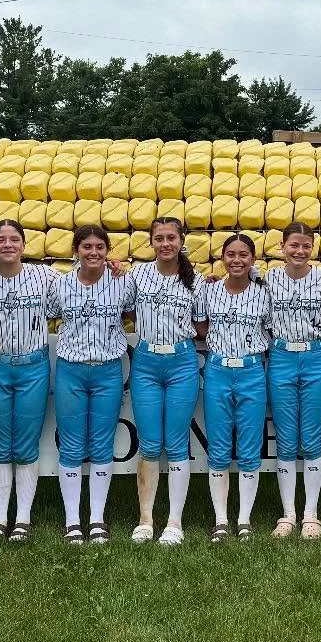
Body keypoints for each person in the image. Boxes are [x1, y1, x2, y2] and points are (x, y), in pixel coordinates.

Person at [49, 224, 135, 545]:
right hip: (71, 369)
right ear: (76, 251)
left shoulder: (122, 283)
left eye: (100, 247)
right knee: (71, 445)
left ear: (108, 250)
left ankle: (97, 519)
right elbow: (45, 313)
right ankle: (73, 520)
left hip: (108, 371)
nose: (94, 252)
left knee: (102, 444)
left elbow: (143, 306)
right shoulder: (61, 285)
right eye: (87, 247)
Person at [125, 217, 200, 547]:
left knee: (177, 441)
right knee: (151, 442)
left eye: (171, 237)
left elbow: (204, 324)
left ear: (181, 240)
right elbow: (124, 309)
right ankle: (145, 518)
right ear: (151, 242)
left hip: (182, 362)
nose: (165, 243)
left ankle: (174, 522)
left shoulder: (196, 279)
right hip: (146, 363)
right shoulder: (137, 275)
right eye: (159, 238)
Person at [0, 219, 56, 542]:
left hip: (33, 366)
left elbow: (84, 282)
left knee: (26, 443)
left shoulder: (44, 276)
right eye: (1, 240)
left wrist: (117, 271)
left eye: (14, 239)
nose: (7, 245)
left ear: (24, 245)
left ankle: (22, 518)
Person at [194, 233, 273, 542]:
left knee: (250, 446)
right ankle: (221, 519)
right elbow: (201, 327)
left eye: (244, 255)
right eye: (231, 254)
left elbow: (269, 328)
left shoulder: (264, 294)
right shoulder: (209, 291)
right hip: (218, 370)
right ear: (222, 258)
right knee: (218, 445)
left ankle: (244, 520)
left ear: (252, 260)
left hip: (252, 371)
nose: (237, 260)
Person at [264, 222, 321, 540]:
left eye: (306, 245)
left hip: (315, 357)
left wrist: (318, 338)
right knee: (286, 437)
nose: (299, 251)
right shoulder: (268, 279)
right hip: (281, 357)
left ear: (313, 248)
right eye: (293, 245)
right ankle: (288, 514)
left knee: (310, 437)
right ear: (282, 248)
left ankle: (311, 513)